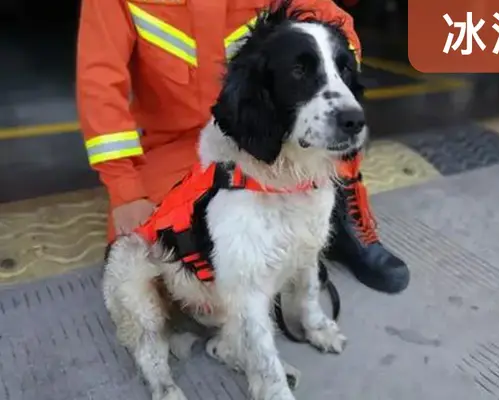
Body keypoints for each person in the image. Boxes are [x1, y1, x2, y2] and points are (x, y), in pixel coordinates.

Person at [76, 0, 410, 294]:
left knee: (331, 122)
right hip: (175, 146)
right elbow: (99, 83)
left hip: (260, 131)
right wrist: (126, 191)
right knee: (148, 266)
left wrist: (327, 78)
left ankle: (341, 218)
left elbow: (330, 24)